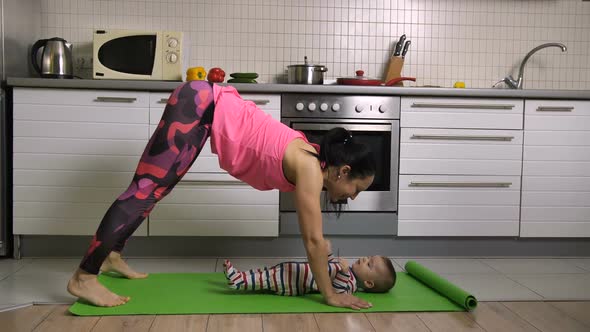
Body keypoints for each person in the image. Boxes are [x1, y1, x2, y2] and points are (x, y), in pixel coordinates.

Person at [67, 80, 377, 309]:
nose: (352, 197)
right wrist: (331, 295)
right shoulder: (310, 167)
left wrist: (323, 248)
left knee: (151, 188)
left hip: (203, 101)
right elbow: (312, 240)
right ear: (343, 171)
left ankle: (110, 255)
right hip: (200, 104)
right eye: (356, 190)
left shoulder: (312, 158)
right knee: (146, 189)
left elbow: (318, 240)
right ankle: (84, 277)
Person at [223, 254, 397, 296]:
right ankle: (242, 275)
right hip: (294, 272)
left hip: (294, 283)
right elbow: (326, 266)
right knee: (266, 273)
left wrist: (343, 272)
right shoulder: (349, 272)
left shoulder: (350, 285)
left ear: (368, 283)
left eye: (369, 264)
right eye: (368, 257)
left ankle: (238, 282)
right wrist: (326, 254)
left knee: (268, 279)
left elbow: (336, 292)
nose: (364, 258)